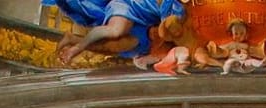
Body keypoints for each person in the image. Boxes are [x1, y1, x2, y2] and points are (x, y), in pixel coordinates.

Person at [55, 0, 187, 61]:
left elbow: (169, 29)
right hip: (127, 7)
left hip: (146, 28)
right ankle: (78, 46)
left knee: (114, 47)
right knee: (116, 31)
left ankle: (73, 39)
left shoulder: (178, 9)